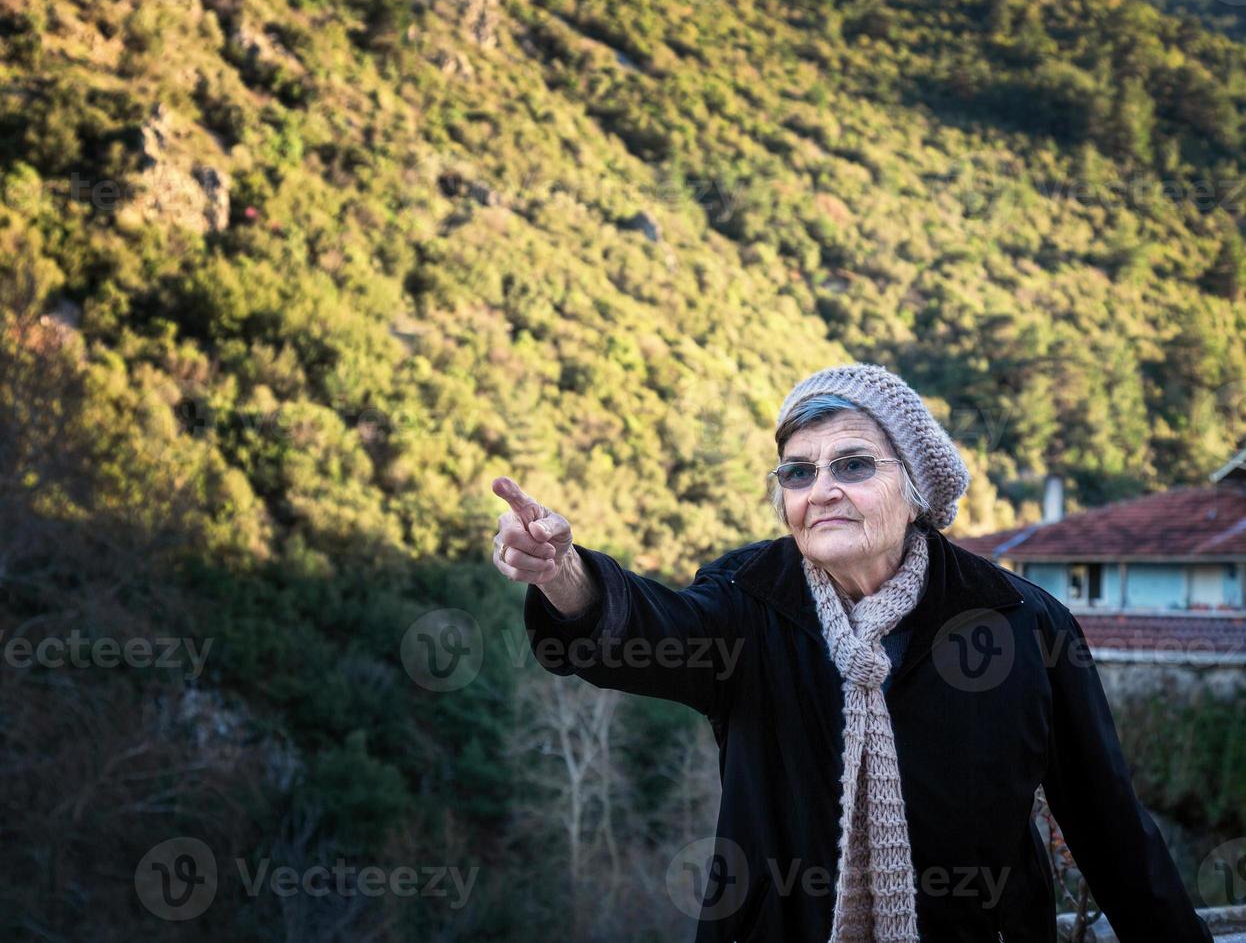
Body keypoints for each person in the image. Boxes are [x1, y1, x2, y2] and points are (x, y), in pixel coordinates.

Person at [491, 362, 1212, 942]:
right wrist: (564, 573)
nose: (822, 490)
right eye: (798, 473)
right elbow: (646, 632)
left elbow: (1109, 826)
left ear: (916, 489)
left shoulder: (1023, 623)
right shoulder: (749, 602)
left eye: (854, 465)